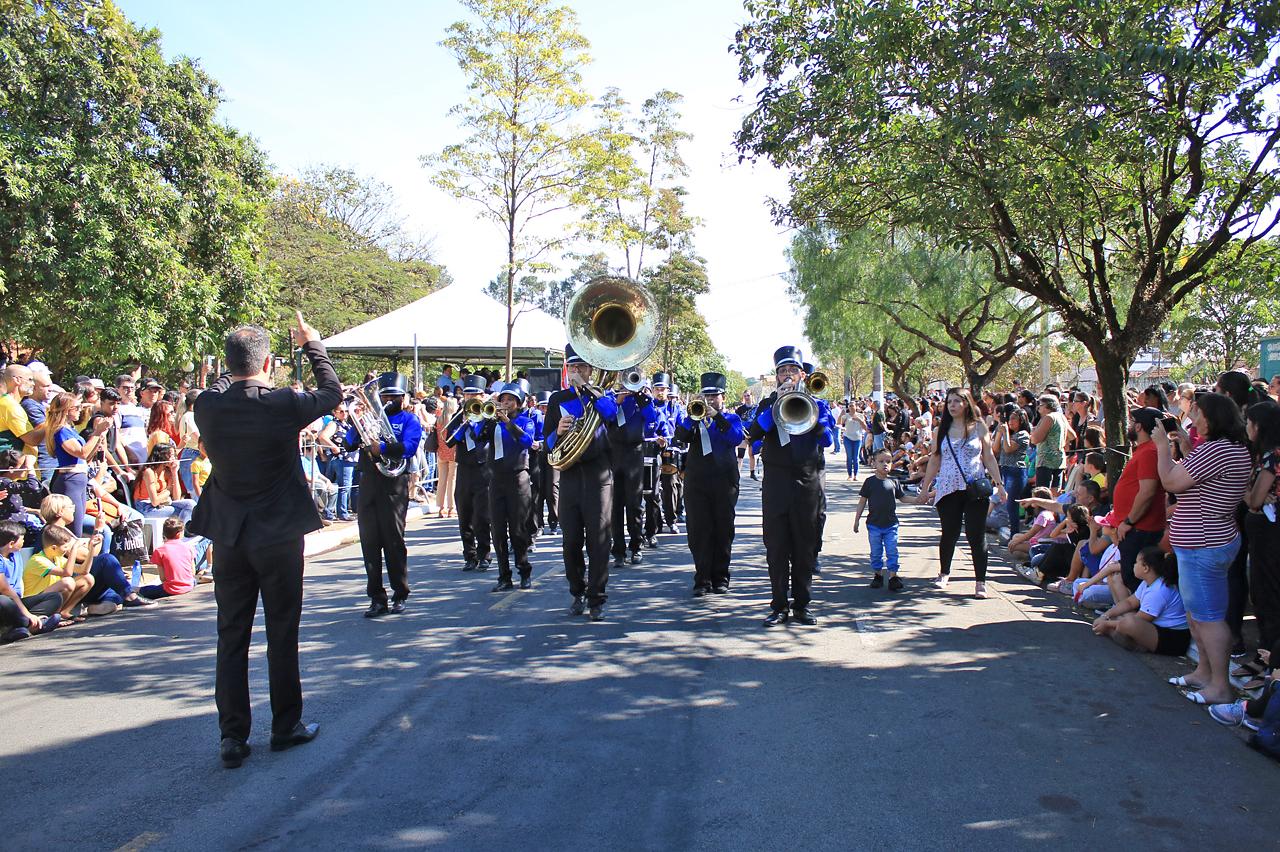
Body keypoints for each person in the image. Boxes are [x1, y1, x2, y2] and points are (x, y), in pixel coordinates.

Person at [189, 312, 340, 768]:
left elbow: (218, 387)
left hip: (230, 534)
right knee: (282, 630)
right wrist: (313, 344)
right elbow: (331, 392)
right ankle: (285, 725)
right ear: (270, 361)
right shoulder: (283, 403)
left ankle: (232, 736)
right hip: (277, 534)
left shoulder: (208, 406)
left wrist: (235, 371)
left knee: (231, 634)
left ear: (229, 365)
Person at [1152, 392, 1252, 706]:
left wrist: (1160, 447)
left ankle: (1219, 685)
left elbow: (1170, 481)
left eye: (1198, 412)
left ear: (1213, 418)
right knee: (1197, 614)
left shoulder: (1216, 449)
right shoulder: (1226, 448)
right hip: (1206, 540)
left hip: (1203, 543)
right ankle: (1204, 672)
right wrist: (1187, 448)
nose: (1192, 417)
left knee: (1208, 617)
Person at [748, 346, 834, 626]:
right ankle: (779, 605)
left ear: (802, 375)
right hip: (776, 482)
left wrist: (814, 418)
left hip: (807, 480)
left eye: (792, 371)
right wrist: (776, 407)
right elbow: (754, 434)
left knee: (804, 546)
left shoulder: (817, 404)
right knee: (776, 546)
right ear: (776, 377)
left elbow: (827, 441)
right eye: (782, 371)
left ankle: (802, 604)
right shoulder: (766, 404)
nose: (787, 375)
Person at [544, 343, 619, 621]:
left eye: (581, 367)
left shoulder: (602, 395)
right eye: (572, 367)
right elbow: (548, 443)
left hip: (599, 476)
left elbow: (611, 415)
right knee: (571, 540)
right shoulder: (557, 399)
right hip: (571, 475)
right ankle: (578, 591)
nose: (576, 372)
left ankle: (597, 598)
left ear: (590, 370)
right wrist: (559, 433)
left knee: (599, 540)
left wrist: (588, 389)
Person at [915, 388, 1008, 598]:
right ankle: (944, 573)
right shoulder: (941, 430)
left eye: (957, 401)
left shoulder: (979, 427)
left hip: (974, 487)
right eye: (949, 402)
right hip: (948, 489)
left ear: (966, 403)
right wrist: (925, 487)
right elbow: (935, 460)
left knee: (976, 535)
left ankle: (980, 582)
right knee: (950, 532)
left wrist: (1000, 484)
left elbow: (989, 457)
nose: (952, 405)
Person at [344, 373, 421, 617]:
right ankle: (376, 598)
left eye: (393, 396)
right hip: (368, 481)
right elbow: (348, 444)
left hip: (394, 483)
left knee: (394, 541)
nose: (387, 400)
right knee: (369, 542)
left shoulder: (410, 420)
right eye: (384, 396)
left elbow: (409, 448)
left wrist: (384, 447)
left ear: (402, 398)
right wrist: (357, 426)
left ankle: (400, 593)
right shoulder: (371, 419)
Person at [673, 372, 745, 596]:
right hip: (697, 482)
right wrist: (692, 417)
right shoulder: (695, 419)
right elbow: (680, 436)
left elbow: (735, 438)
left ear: (723, 397)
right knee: (698, 530)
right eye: (706, 396)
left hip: (724, 481)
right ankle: (702, 577)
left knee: (723, 529)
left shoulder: (731, 419)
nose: (710, 400)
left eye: (715, 396)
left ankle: (721, 577)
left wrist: (717, 417)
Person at [483, 383, 536, 591]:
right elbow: (476, 437)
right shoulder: (493, 422)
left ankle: (524, 570)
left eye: (510, 400)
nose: (506, 403)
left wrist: (507, 422)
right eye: (503, 400)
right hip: (496, 479)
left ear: (518, 403)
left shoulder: (526, 421)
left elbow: (526, 441)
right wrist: (481, 417)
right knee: (497, 530)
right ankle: (503, 576)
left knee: (518, 529)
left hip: (518, 478)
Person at [1091, 546, 1191, 656]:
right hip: (1155, 628)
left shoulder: (1158, 591)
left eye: (1136, 562)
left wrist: (1106, 623)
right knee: (1123, 617)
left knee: (1128, 622)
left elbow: (1138, 619)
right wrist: (1106, 615)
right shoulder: (1148, 582)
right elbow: (1129, 602)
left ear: (1145, 568)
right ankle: (1117, 632)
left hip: (1173, 638)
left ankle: (1125, 639)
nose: (1134, 565)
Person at [608, 374, 662, 568]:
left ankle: (636, 546)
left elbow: (651, 424)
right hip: (614, 453)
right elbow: (606, 419)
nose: (628, 385)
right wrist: (617, 401)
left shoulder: (643, 400)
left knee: (634, 504)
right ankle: (619, 551)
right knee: (615, 507)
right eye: (625, 380)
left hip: (634, 453)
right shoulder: (611, 397)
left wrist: (641, 398)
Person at [1111, 407, 1168, 590]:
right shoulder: (1144, 450)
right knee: (1130, 575)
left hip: (1140, 528)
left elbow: (1147, 491)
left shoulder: (1150, 452)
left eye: (1131, 421)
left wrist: (1129, 521)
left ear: (1139, 426)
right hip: (1136, 527)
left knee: (1136, 577)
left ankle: (1143, 616)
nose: (1128, 425)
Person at [46, 391, 113, 536]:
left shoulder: (71, 430)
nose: (80, 410)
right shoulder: (61, 431)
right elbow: (81, 452)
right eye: (76, 408)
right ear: (65, 410)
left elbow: (86, 457)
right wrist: (97, 432)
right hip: (70, 481)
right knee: (73, 530)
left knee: (79, 526)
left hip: (80, 479)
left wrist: (100, 436)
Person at [444, 375, 493, 572]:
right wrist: (463, 423)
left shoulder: (489, 415)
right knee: (464, 514)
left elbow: (486, 437)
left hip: (484, 469)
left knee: (482, 515)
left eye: (474, 394)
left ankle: (484, 554)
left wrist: (475, 422)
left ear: (483, 396)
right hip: (464, 468)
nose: (470, 397)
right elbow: (448, 441)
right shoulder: (458, 414)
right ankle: (469, 555)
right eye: (467, 393)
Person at [854, 448, 910, 591]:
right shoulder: (870, 482)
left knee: (892, 550)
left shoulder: (894, 482)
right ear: (874, 463)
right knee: (876, 552)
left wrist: (920, 499)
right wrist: (857, 520)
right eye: (881, 461)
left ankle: (893, 577)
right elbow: (862, 502)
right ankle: (878, 575)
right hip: (874, 525)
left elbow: (903, 498)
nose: (885, 464)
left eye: (888, 461)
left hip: (891, 524)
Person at [651, 373, 685, 535]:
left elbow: (682, 429)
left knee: (671, 486)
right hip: (651, 452)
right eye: (657, 389)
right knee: (652, 490)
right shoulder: (648, 406)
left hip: (670, 453)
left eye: (663, 389)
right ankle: (655, 522)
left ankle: (672, 520)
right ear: (652, 390)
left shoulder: (675, 408)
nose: (660, 392)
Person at [993, 403, 1031, 536]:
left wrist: (1005, 433)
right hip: (1006, 470)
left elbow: (1009, 449)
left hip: (1016, 471)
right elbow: (996, 449)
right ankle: (1011, 532)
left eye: (1014, 419)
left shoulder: (1023, 435)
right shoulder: (1009, 434)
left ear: (1021, 420)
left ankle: (1015, 533)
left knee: (1011, 504)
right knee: (1007, 503)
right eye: (1010, 419)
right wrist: (999, 432)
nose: (1010, 422)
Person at [138, 517, 196, 599]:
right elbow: (193, 572)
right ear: (179, 534)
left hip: (171, 589)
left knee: (144, 590)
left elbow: (163, 578)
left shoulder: (160, 551)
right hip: (190, 584)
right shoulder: (189, 547)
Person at [1029, 394, 1073, 491]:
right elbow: (1072, 435)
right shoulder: (1061, 417)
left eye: (1040, 404)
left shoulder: (1048, 418)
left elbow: (1035, 439)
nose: (1038, 407)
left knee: (1042, 493)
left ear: (1047, 406)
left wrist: (1033, 432)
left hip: (1046, 462)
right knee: (1055, 493)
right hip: (1059, 461)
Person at [435, 396, 459, 520]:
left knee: (441, 480)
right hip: (453, 452)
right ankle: (451, 507)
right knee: (452, 481)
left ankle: (441, 507)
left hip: (441, 452)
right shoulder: (453, 420)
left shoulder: (439, 419)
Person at [839, 403, 867, 480]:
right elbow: (840, 423)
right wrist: (841, 414)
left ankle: (856, 475)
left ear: (856, 407)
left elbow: (865, 428)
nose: (851, 407)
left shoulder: (860, 415)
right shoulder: (846, 416)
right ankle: (850, 475)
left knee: (856, 457)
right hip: (847, 437)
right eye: (850, 406)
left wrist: (859, 420)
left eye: (853, 406)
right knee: (849, 457)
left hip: (857, 438)